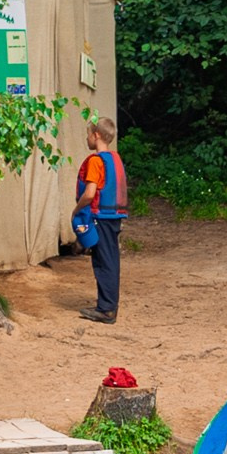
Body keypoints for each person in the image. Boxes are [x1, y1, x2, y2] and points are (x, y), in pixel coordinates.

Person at [74, 118, 129, 325]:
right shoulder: (115, 158)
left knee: (103, 262)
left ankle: (106, 310)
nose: (87, 138)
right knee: (111, 259)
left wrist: (76, 210)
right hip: (114, 217)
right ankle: (108, 305)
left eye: (88, 134)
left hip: (100, 217)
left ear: (96, 136)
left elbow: (89, 194)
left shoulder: (96, 161)